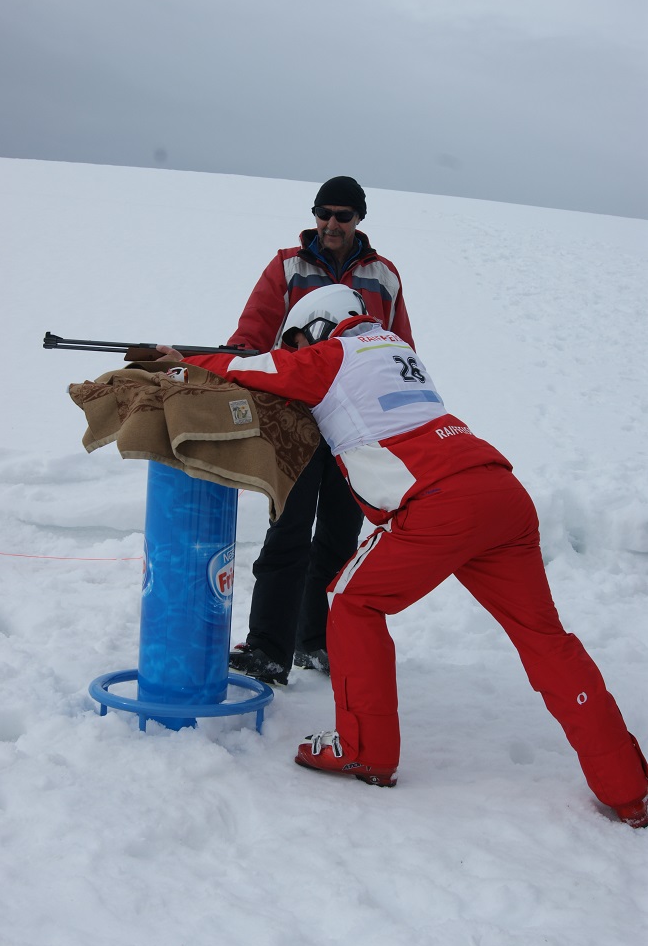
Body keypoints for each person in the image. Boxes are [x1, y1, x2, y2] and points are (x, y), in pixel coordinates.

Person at [160, 284, 648, 828]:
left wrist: (186, 363)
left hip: (440, 503)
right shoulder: (396, 350)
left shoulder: (330, 355)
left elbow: (258, 369)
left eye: (299, 340)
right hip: (501, 492)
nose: (297, 352)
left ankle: (364, 749)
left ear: (322, 326)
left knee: (351, 602)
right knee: (546, 641)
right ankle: (627, 786)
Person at [224, 176, 414, 685]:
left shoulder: (384, 276)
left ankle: (317, 642)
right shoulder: (288, 266)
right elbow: (251, 335)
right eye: (323, 213)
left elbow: (400, 347)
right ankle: (267, 649)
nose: (331, 224)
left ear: (359, 220)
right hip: (295, 424)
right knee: (288, 533)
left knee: (338, 537)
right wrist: (231, 365)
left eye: (343, 215)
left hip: (355, 428)